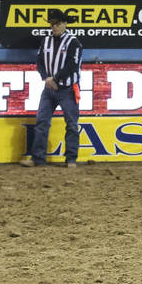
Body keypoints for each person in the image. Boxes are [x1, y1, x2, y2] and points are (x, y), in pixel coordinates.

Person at [21, 9, 83, 169]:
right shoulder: (46, 40)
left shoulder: (74, 43)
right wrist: (46, 78)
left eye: (56, 24)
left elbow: (72, 66)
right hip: (49, 89)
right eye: (51, 24)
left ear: (64, 24)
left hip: (68, 89)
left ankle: (71, 159)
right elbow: (39, 61)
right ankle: (38, 158)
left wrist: (54, 79)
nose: (53, 27)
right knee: (41, 121)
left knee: (71, 124)